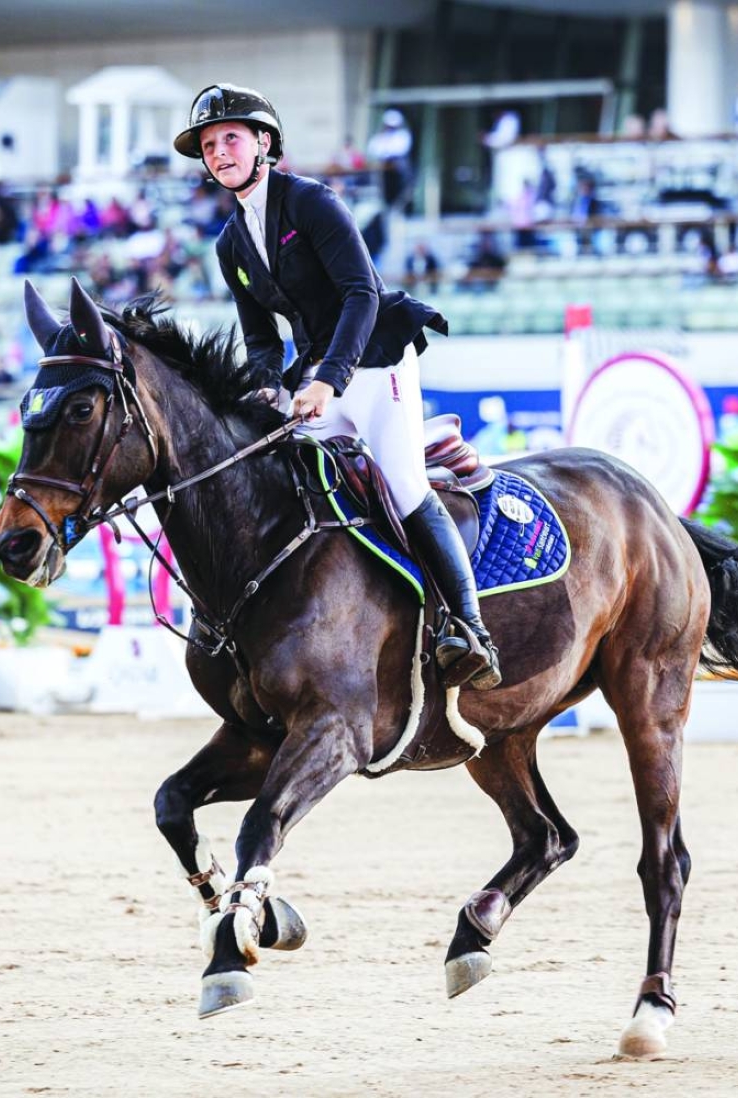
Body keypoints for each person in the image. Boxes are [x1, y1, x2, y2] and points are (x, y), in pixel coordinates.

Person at [173, 83, 500, 689]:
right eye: (210, 146)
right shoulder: (230, 244)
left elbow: (362, 294)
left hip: (376, 359)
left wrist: (329, 378)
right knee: (274, 473)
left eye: (231, 139)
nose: (219, 153)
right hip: (316, 375)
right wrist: (267, 389)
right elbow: (262, 339)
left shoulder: (312, 203)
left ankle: (470, 628)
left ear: (263, 142)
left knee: (402, 486)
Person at [366, 108, 414, 212]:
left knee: (401, 193)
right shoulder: (380, 137)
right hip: (383, 172)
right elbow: (373, 149)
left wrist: (386, 152)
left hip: (397, 172)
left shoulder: (402, 136)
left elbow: (399, 150)